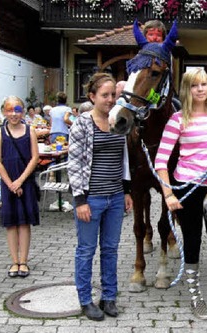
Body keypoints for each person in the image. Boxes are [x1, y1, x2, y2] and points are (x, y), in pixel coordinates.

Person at [155, 68, 207, 320]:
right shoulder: (178, 120)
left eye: (204, 84)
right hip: (187, 188)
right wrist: (168, 194)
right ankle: (195, 296)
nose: (200, 89)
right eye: (194, 85)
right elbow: (161, 161)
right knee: (192, 243)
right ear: (187, 89)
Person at [68, 73, 133, 321]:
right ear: (92, 97)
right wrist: (80, 200)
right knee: (86, 250)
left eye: (113, 95)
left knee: (110, 249)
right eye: (104, 95)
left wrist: (126, 191)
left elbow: (124, 159)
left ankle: (109, 297)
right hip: (91, 198)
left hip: (115, 196)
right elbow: (73, 163)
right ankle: (85, 300)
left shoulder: (120, 119)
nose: (109, 99)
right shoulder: (82, 124)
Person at [0, 96, 40, 279]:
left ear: (23, 111)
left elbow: (34, 158)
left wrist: (20, 181)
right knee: (11, 223)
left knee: (24, 222)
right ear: (4, 111)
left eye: (17, 110)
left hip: (24, 180)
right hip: (8, 182)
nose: (13, 114)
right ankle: (14, 261)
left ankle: (24, 261)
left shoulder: (30, 130)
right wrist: (10, 183)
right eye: (10, 110)